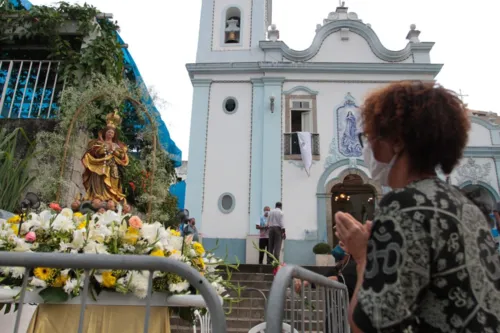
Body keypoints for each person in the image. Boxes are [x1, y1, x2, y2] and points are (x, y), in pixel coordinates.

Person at [334, 81, 500, 333]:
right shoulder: (468, 206)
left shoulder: (405, 205)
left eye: (370, 136)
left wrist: (362, 256)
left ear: (397, 141)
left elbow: (367, 325)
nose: (366, 147)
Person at [82, 110, 129, 203]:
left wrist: (115, 153)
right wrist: (100, 151)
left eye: (112, 132)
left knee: (114, 180)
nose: (110, 134)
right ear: (105, 133)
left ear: (114, 135)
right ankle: (97, 196)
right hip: (99, 165)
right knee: (98, 178)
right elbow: (93, 151)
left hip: (112, 166)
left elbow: (122, 156)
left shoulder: (117, 145)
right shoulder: (98, 143)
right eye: (108, 132)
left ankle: (111, 197)